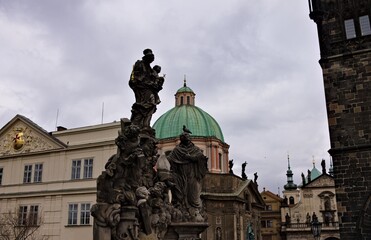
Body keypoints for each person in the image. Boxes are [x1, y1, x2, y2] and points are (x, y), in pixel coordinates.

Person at [167, 130, 208, 220]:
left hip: (193, 175)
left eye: (188, 139)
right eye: (184, 139)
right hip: (180, 176)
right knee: (180, 194)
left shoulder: (195, 149)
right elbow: (169, 159)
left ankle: (194, 210)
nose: (187, 141)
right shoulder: (177, 150)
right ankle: (181, 209)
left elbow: (201, 158)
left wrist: (191, 158)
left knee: (194, 193)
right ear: (182, 140)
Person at [129, 49, 163, 128]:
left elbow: (152, 80)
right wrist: (150, 83)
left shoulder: (150, 68)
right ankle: (137, 123)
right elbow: (137, 78)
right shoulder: (140, 64)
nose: (151, 60)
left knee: (152, 105)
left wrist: (157, 85)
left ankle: (145, 124)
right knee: (146, 104)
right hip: (142, 88)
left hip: (149, 88)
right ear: (146, 57)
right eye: (150, 57)